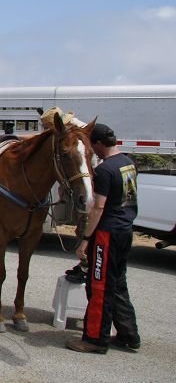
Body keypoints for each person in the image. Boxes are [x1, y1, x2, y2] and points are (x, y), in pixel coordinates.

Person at [66, 123, 140, 354]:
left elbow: (98, 207)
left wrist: (86, 238)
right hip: (125, 230)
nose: (93, 152)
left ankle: (95, 339)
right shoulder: (128, 163)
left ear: (98, 144)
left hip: (107, 233)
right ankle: (129, 334)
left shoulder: (105, 170)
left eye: (93, 146)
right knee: (118, 283)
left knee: (98, 286)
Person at [39, 107, 91, 283]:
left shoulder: (76, 133)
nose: (46, 131)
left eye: (47, 128)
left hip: (89, 184)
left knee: (86, 226)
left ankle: (85, 266)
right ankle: (83, 265)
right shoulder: (73, 128)